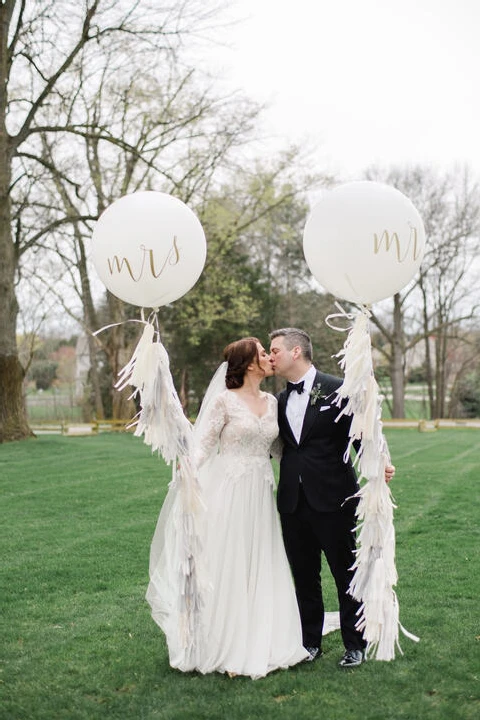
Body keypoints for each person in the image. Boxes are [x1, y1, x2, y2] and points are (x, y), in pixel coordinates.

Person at [146, 337, 309, 679]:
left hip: (261, 492)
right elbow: (203, 446)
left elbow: (282, 451)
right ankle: (226, 642)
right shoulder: (224, 402)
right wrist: (188, 466)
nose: (269, 358)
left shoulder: (272, 402)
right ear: (250, 364)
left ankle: (261, 636)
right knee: (231, 560)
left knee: (260, 559)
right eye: (264, 354)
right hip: (231, 490)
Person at [269, 327, 395, 668]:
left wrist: (380, 463)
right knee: (304, 576)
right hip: (292, 502)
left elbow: (362, 436)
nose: (271, 356)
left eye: (275, 349)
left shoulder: (339, 390)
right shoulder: (279, 400)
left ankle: (354, 644)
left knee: (345, 573)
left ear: (296, 352)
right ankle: (309, 643)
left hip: (334, 498)